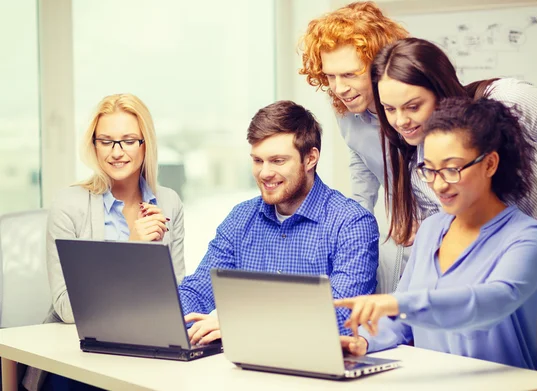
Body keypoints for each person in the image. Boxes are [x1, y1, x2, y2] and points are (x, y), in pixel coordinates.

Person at [370, 37, 537, 339]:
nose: (401, 120)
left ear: (440, 90)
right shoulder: (421, 166)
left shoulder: (512, 100)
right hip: (501, 277)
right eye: (389, 109)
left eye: (413, 106)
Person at [336, 97, 537, 370]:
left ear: (490, 164)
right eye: (429, 169)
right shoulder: (431, 229)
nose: (438, 184)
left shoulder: (529, 237)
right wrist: (364, 342)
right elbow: (402, 320)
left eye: (451, 169)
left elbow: (488, 303)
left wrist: (396, 302)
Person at [178, 100, 379, 345]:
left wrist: (241, 323)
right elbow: (199, 289)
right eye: (258, 160)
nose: (264, 173)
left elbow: (343, 316)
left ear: (310, 159)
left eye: (278, 161)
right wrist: (166, 315)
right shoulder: (241, 219)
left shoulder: (351, 223)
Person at [22, 93, 185, 390]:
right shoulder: (69, 204)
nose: (116, 152)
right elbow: (67, 309)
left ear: (145, 144)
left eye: (128, 140)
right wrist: (133, 249)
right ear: (94, 146)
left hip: (146, 351)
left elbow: (177, 298)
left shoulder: (169, 203)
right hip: (77, 356)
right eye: (106, 141)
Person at [299, 1, 410, 293]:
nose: (338, 88)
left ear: (380, 67)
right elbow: (360, 158)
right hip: (398, 230)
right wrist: (357, 222)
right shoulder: (345, 107)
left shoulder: (413, 110)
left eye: (350, 74)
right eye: (330, 76)